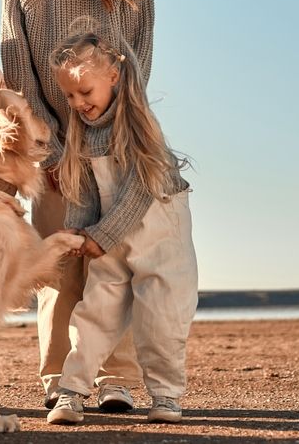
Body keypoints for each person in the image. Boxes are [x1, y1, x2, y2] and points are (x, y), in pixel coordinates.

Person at [0, 0, 155, 411]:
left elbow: (138, 62)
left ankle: (115, 380)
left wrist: (113, 135)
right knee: (60, 269)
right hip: (51, 154)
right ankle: (57, 381)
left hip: (115, 145)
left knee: (112, 266)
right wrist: (49, 149)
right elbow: (19, 73)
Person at [43, 21, 197, 425]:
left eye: (86, 91)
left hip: (159, 233)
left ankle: (165, 395)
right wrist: (78, 233)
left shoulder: (139, 126)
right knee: (94, 310)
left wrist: (102, 235)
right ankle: (73, 390)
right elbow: (84, 191)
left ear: (113, 76)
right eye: (70, 95)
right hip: (109, 238)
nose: (78, 102)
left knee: (161, 313)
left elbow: (139, 191)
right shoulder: (81, 131)